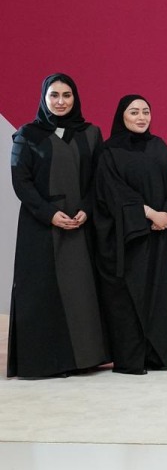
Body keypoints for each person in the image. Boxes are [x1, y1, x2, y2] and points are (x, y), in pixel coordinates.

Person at [7, 74, 109, 378]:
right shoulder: (28, 135)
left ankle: (84, 359)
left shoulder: (91, 134)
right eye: (54, 95)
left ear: (75, 97)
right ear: (44, 98)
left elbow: (98, 179)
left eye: (67, 95)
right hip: (41, 227)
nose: (61, 101)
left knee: (81, 292)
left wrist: (86, 210)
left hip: (80, 224)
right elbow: (21, 182)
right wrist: (49, 213)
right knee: (43, 292)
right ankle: (45, 361)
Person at [94, 94, 167, 374]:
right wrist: (150, 214)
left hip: (161, 235)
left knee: (161, 293)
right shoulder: (109, 151)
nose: (141, 117)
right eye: (134, 112)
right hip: (131, 238)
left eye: (146, 112)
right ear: (121, 116)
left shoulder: (159, 146)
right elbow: (113, 192)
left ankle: (159, 353)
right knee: (131, 295)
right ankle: (133, 356)